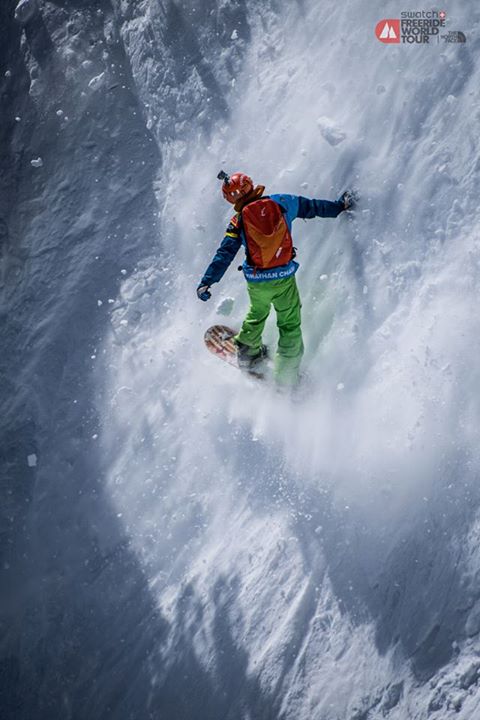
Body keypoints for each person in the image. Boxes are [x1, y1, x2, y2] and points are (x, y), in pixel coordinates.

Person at [197, 171, 354, 386]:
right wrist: (339, 206)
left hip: (257, 282)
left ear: (231, 199)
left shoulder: (238, 221)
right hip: (284, 279)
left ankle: (248, 352)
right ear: (250, 185)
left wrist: (207, 281)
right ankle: (287, 374)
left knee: (257, 313)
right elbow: (311, 207)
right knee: (289, 324)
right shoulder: (281, 202)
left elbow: (224, 254)